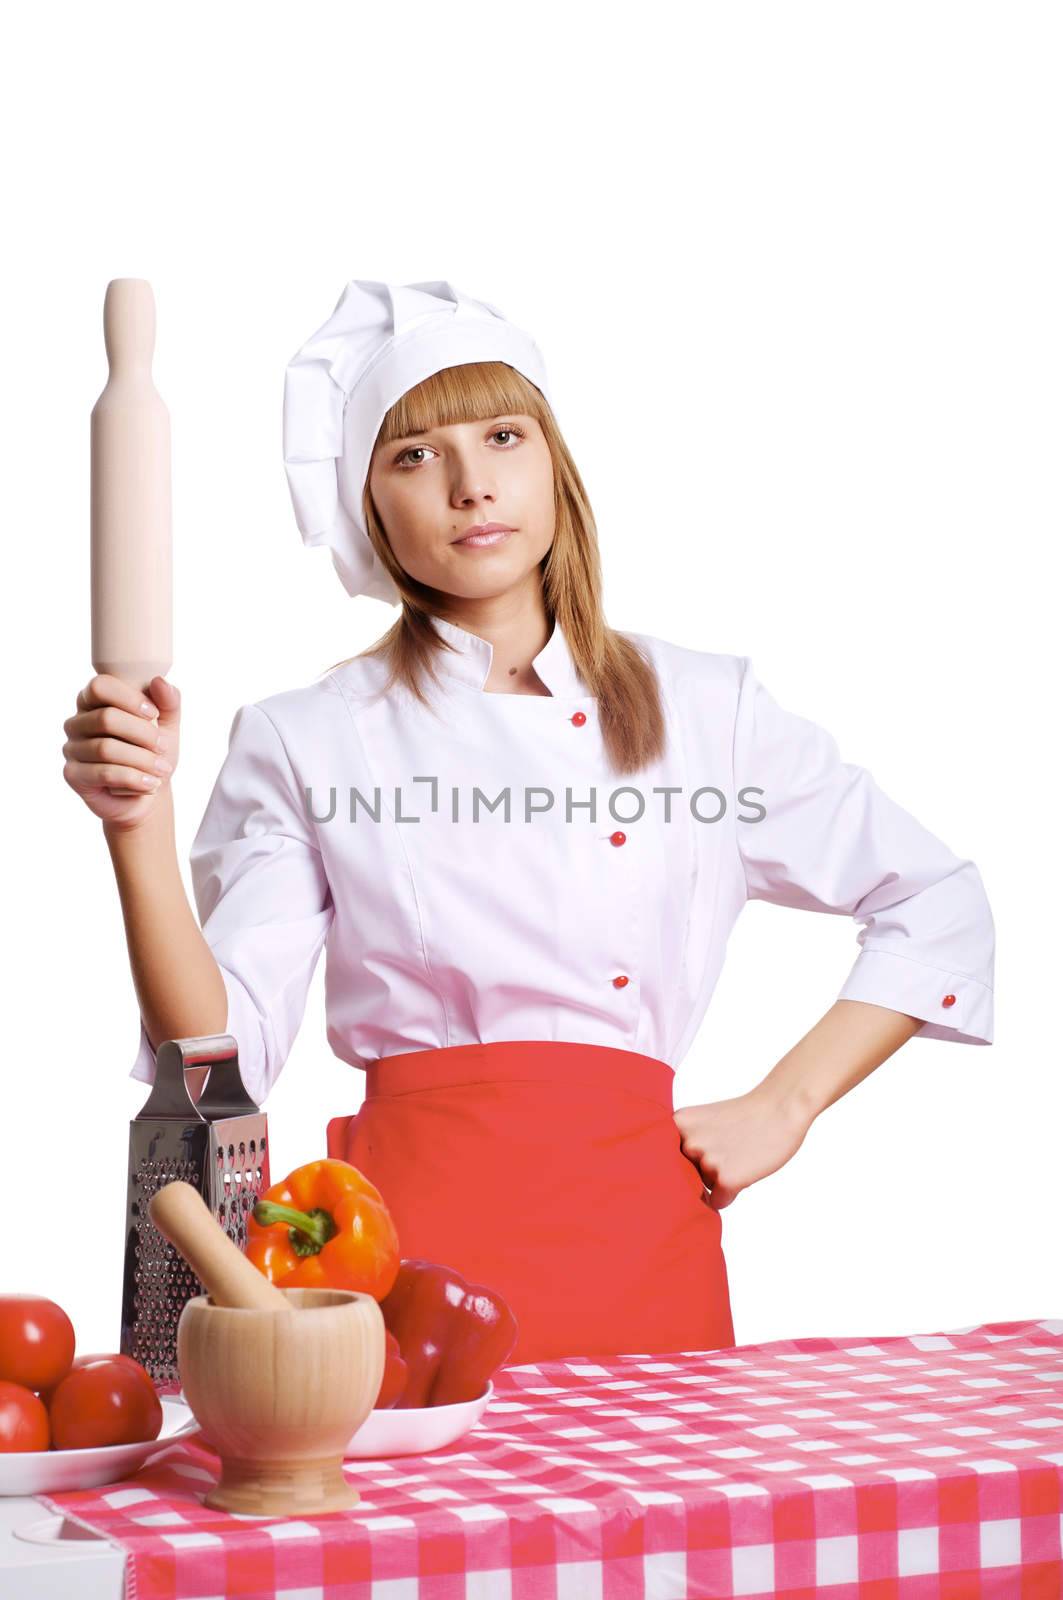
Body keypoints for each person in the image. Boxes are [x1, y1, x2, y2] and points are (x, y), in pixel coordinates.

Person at [62, 279, 995, 1364]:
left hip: (642, 1245)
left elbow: (937, 899)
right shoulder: (305, 737)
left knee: (673, 1530)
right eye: (413, 454)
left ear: (553, 461)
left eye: (503, 435)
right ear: (370, 508)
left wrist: (785, 1104)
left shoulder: (703, 709)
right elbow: (215, 1056)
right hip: (393, 1263)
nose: (469, 485)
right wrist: (137, 825)